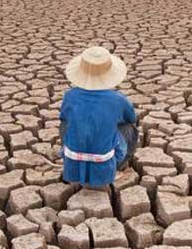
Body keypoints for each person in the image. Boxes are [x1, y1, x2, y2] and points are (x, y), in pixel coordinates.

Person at [59, 46, 138, 188]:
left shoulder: (69, 96)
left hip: (72, 163)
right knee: (129, 128)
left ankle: (68, 157)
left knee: (65, 123)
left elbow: (64, 116)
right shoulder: (117, 99)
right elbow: (131, 118)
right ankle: (119, 165)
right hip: (104, 165)